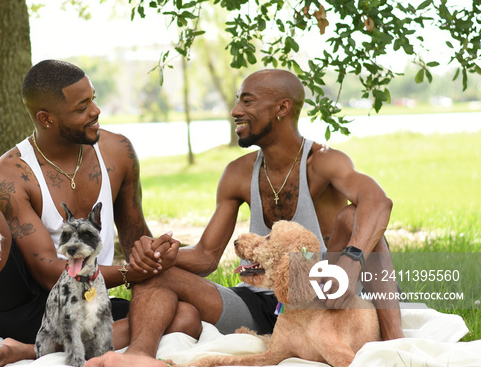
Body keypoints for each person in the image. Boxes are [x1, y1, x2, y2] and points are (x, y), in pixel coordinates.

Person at [0, 60, 201, 367]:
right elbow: (50, 272)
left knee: (184, 316)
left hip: (90, 303)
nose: (95, 111)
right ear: (46, 119)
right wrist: (131, 273)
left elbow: (135, 239)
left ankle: (31, 351)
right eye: (81, 108)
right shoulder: (10, 174)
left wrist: (152, 252)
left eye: (93, 99)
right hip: (25, 305)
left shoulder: (119, 152)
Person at [97, 68, 403, 365]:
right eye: (238, 101)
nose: (235, 110)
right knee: (157, 273)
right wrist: (158, 257)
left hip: (318, 301)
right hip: (255, 304)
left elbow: (379, 203)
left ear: (282, 108)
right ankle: (138, 357)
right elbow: (206, 257)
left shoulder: (322, 162)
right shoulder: (238, 173)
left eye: (247, 101)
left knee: (354, 218)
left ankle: (396, 343)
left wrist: (350, 261)